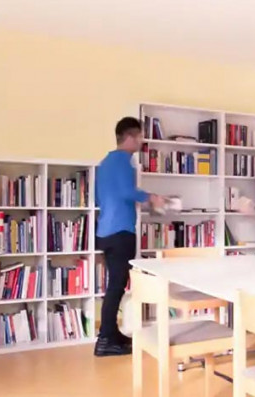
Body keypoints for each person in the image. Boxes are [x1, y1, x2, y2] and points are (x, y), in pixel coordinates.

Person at [94, 117, 165, 357]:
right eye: (140, 137)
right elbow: (127, 192)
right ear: (131, 136)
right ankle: (105, 340)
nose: (142, 141)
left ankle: (111, 335)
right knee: (116, 287)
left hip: (105, 232)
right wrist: (151, 197)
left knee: (114, 285)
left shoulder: (104, 163)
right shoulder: (125, 161)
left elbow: (99, 199)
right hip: (121, 232)